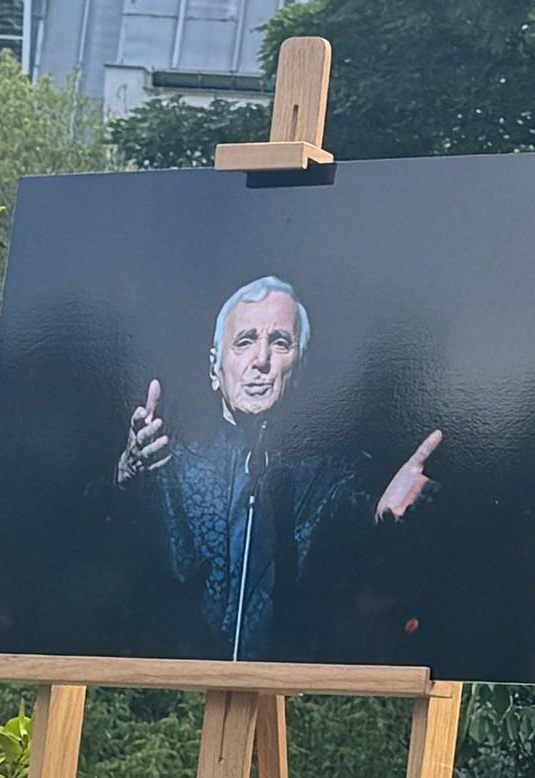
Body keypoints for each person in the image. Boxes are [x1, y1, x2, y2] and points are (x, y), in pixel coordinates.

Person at [113, 275, 442, 660]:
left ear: (299, 368)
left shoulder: (326, 476)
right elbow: (103, 551)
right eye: (245, 341)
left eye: (280, 342)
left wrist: (381, 518)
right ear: (214, 369)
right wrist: (125, 476)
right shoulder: (169, 460)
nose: (262, 360)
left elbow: (353, 542)